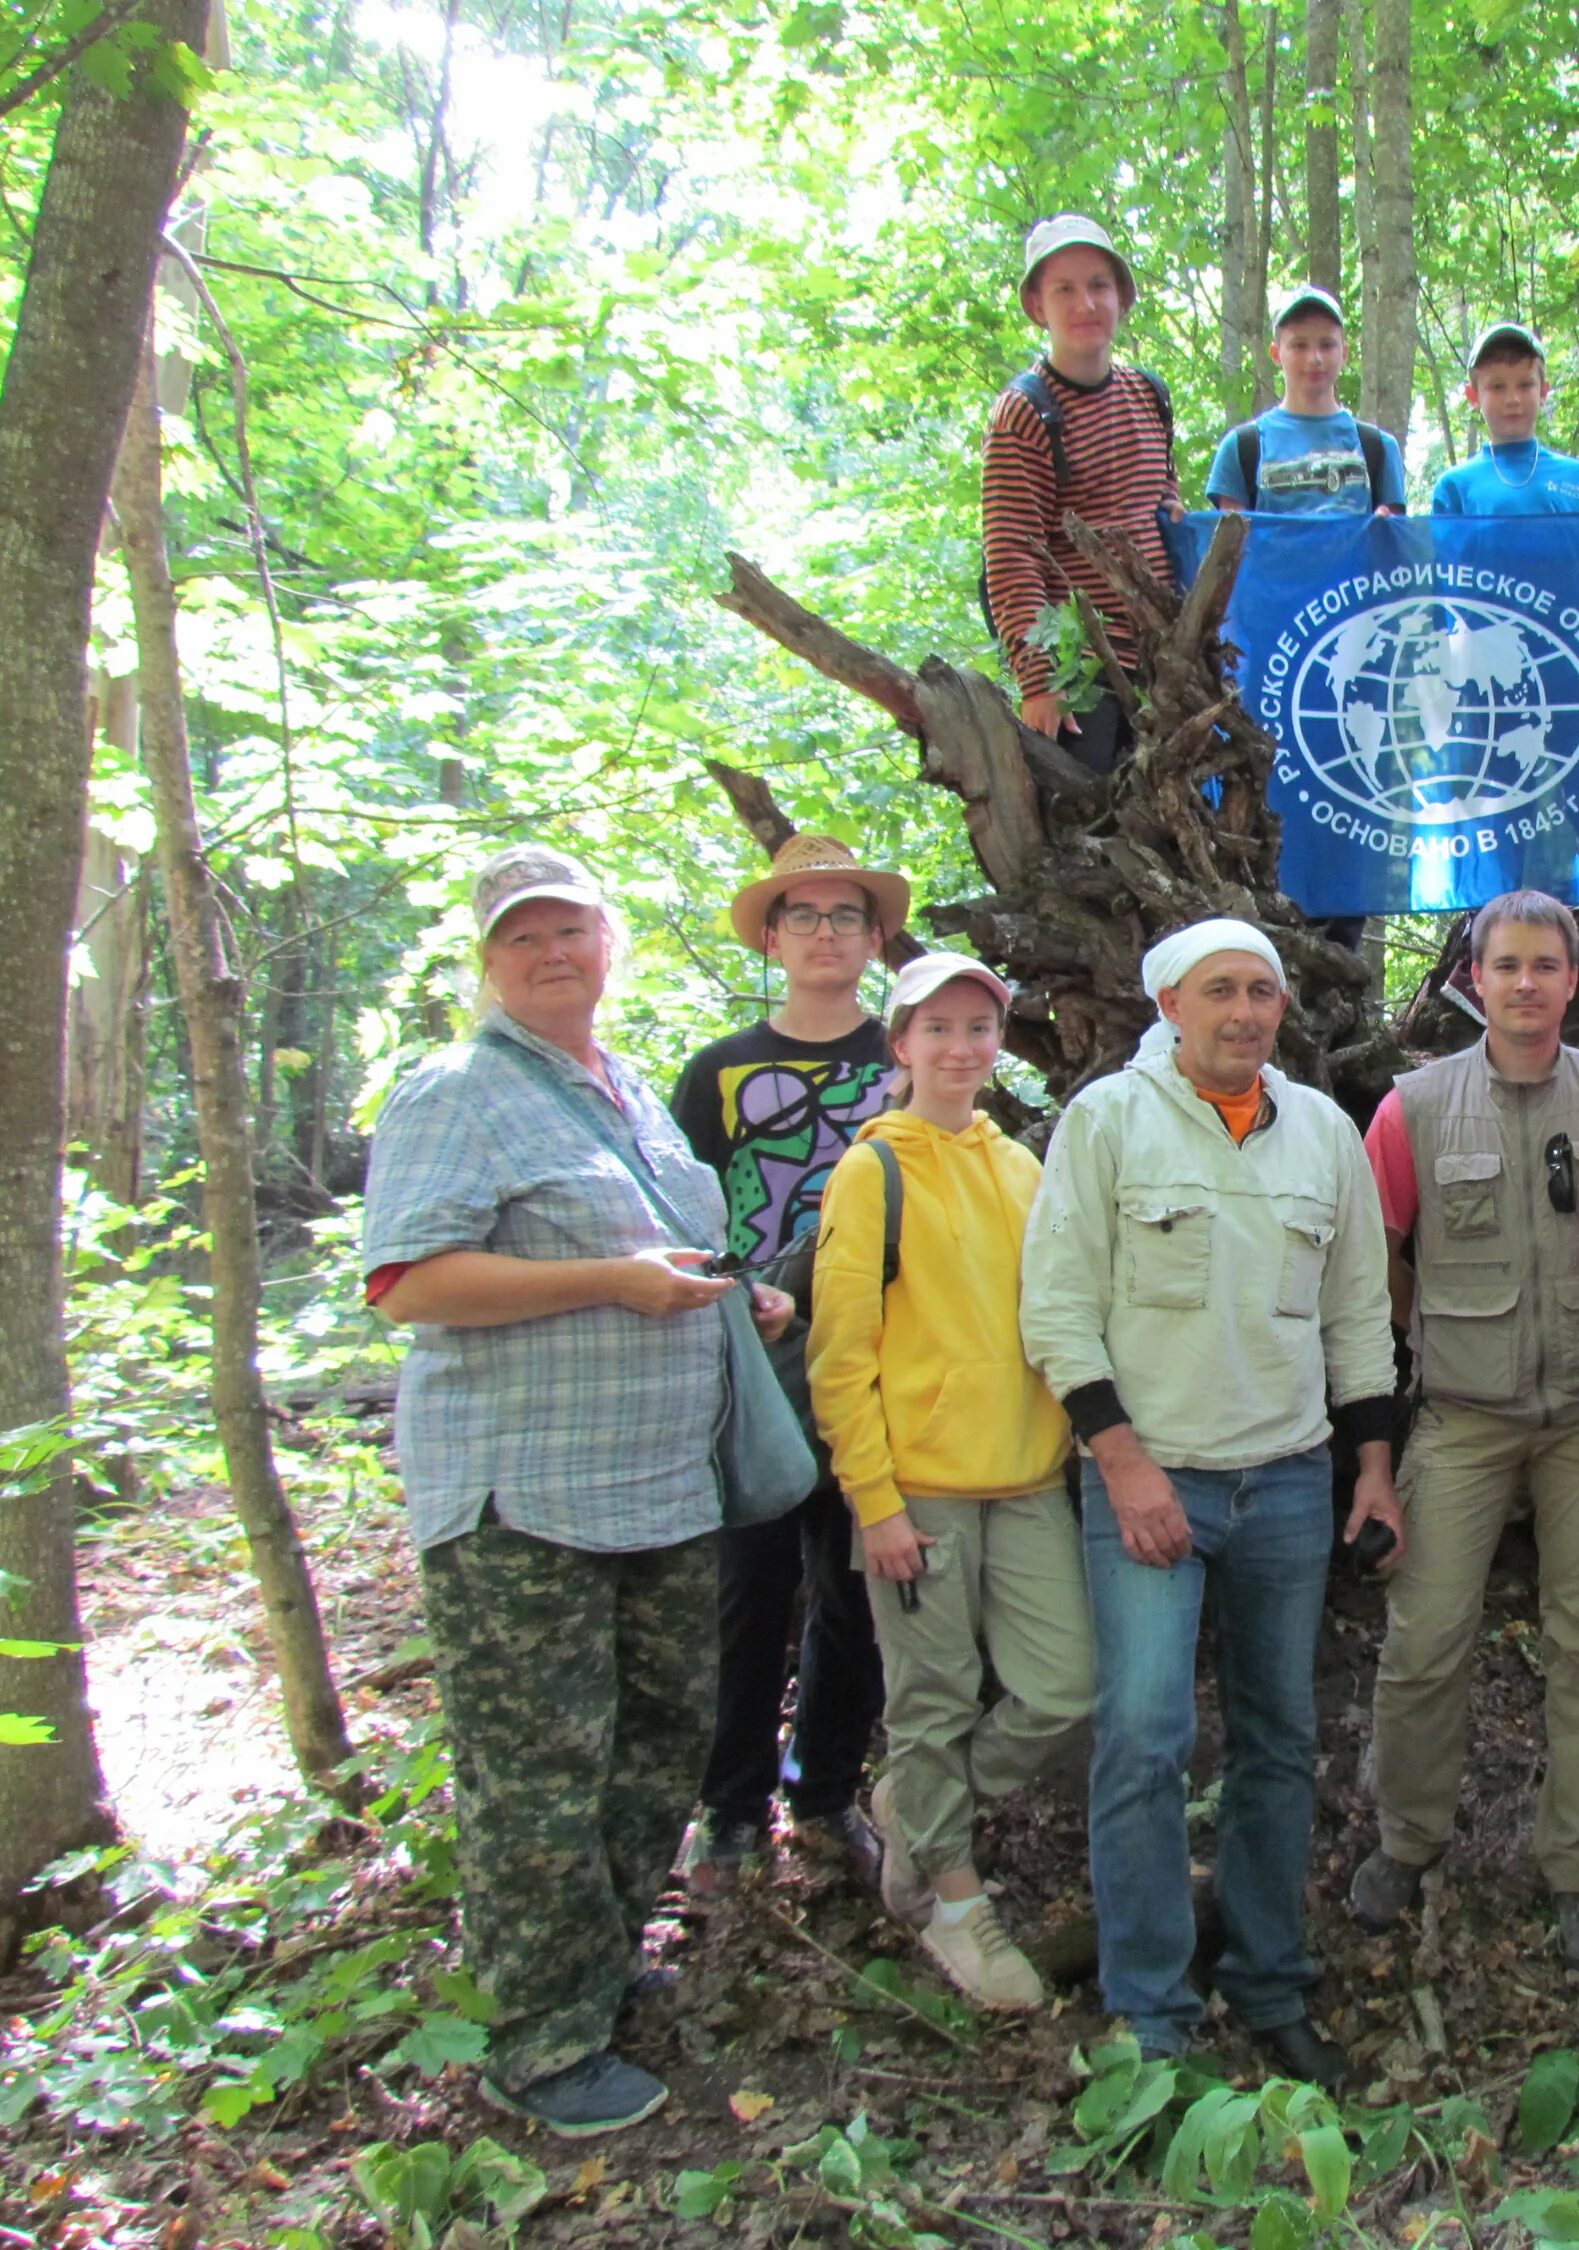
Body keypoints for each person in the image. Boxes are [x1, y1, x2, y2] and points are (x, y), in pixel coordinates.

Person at [362, 845, 794, 2136]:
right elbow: (410, 1281)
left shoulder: (628, 1097)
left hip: (660, 1485)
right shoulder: (456, 1090)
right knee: (540, 1764)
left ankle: (599, 1968)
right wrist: (610, 1280)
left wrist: (733, 1291)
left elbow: (663, 1246)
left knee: (660, 1733)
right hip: (523, 1496)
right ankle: (541, 2042)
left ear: (609, 943)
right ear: (485, 962)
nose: (552, 955)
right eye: (522, 939)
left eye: (571, 931)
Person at [1019, 920, 1406, 2086]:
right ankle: (1151, 2013)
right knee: (1143, 1737)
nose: (1245, 1011)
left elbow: (1357, 1318)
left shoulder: (1322, 1132)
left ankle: (1269, 1982)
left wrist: (1374, 1467)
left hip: (1287, 1477)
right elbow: (1057, 1309)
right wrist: (1125, 1467)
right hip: (1152, 1476)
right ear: (1170, 1005)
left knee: (1281, 1740)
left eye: (1264, 992)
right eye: (1220, 991)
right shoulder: (1108, 1122)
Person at [1349, 891, 1579, 1966]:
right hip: (1461, 1418)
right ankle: (1407, 1839)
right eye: (1505, 965)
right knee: (1424, 1641)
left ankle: (1578, 1867)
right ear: (1472, 978)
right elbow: (1373, 1250)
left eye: (1545, 966)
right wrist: (1426, 1334)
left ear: (1574, 979)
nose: (1525, 984)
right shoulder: (1415, 1108)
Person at [807, 950, 1093, 2012]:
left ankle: (916, 1810)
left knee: (1065, 1685)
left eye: (980, 1029)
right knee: (929, 1700)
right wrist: (874, 1503)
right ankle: (953, 1906)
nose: (963, 1048)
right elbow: (840, 1357)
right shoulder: (871, 1171)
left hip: (1025, 1477)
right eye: (940, 1029)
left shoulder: (1020, 1164)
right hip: (916, 1490)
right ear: (901, 1044)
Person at [668, 833, 906, 1898]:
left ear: (875, 937)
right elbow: (686, 1213)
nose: (824, 934)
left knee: (853, 1589)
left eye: (845, 917)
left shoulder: (905, 1060)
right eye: (802, 917)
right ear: (771, 937)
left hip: (878, 1364)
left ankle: (824, 1793)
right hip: (753, 1364)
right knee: (748, 1591)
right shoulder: (717, 1072)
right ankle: (728, 1810)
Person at [981, 213, 1181, 773]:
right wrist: (1040, 681)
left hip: (1160, 666)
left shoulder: (1148, 394)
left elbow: (1157, 488)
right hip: (1079, 679)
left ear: (1121, 298)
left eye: (1098, 286)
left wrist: (1174, 510)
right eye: (1064, 289)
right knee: (1086, 840)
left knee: (1167, 835)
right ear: (1038, 307)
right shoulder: (1024, 413)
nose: (1085, 304)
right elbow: (1011, 554)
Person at [1206, 286, 1405, 516]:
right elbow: (1230, 547)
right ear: (1276, 354)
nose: (1315, 358)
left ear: (1345, 353)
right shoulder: (1242, 448)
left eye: (1327, 345)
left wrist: (1387, 530)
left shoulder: (1379, 448)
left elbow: (1396, 545)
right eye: (1299, 345)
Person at [1428, 324, 1579, 516]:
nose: (1513, 399)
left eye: (1525, 385)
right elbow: (1434, 546)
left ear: (1543, 392)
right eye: (1497, 387)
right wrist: (1391, 527)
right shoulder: (1454, 487)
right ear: (1473, 395)